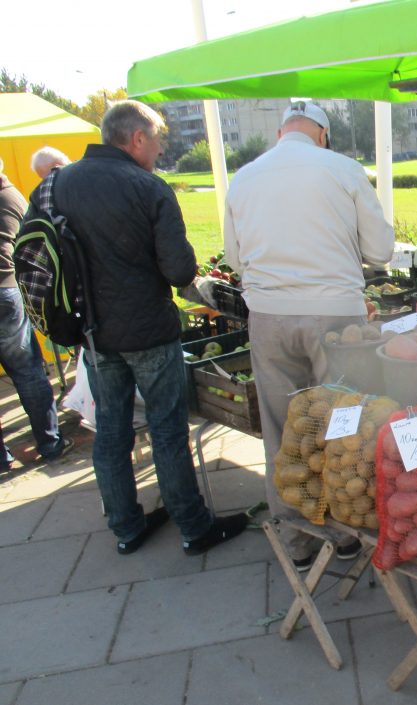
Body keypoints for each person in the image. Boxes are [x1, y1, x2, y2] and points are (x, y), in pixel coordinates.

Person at [31, 101, 246, 555]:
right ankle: (194, 527)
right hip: (148, 331)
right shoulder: (148, 187)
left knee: (111, 430)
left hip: (91, 331)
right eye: (159, 139)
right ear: (137, 139)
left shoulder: (57, 182)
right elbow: (178, 269)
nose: (162, 148)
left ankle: (126, 528)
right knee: (168, 430)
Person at [224, 99, 395, 569]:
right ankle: (343, 534)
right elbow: (381, 250)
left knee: (283, 430)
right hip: (334, 318)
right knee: (342, 428)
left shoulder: (244, 177)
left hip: (269, 317)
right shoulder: (342, 168)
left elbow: (234, 258)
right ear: (322, 132)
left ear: (282, 132)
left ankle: (297, 539)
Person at [0, 157, 72, 473]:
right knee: (27, 370)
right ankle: (50, 443)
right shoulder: (13, 196)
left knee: (26, 371)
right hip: (6, 290)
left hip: (6, 292)